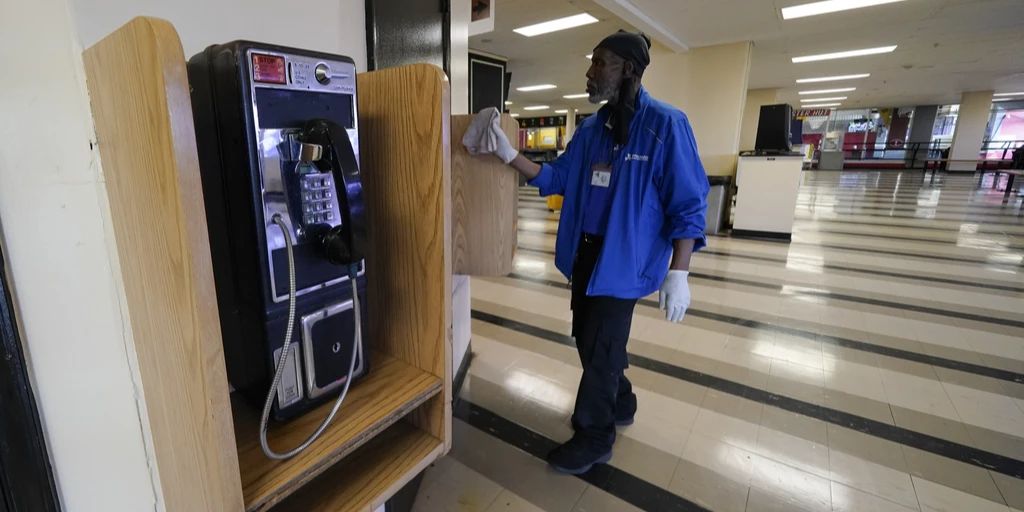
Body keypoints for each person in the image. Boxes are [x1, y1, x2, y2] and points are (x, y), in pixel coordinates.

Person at [465, 30, 709, 474]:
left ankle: (595, 433)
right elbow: (557, 178)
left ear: (629, 70)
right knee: (589, 337)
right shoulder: (593, 129)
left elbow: (688, 204)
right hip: (586, 254)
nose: (590, 72)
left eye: (601, 63)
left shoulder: (666, 126)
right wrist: (507, 154)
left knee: (600, 348)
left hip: (626, 260)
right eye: (592, 62)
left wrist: (680, 272)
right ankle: (622, 397)